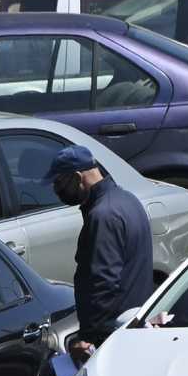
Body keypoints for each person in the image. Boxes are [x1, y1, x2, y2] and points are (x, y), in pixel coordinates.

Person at [50, 144, 153, 364]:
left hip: (111, 337)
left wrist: (88, 338)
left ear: (78, 177)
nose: (56, 190)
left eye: (59, 183)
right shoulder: (128, 200)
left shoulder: (102, 215)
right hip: (131, 328)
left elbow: (103, 284)